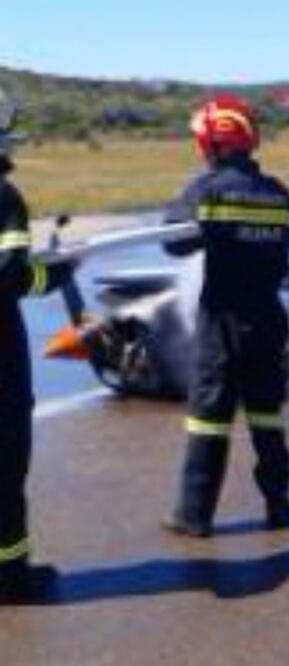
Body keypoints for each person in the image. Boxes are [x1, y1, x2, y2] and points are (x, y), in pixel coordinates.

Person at [161, 93, 289, 537]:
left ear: (213, 144)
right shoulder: (282, 196)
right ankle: (279, 505)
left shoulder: (208, 190)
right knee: (267, 415)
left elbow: (173, 241)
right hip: (267, 317)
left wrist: (195, 198)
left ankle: (193, 515)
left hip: (222, 320)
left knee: (209, 418)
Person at [0, 90, 75, 598]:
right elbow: (11, 278)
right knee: (6, 458)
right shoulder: (4, 198)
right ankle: (10, 576)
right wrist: (59, 272)